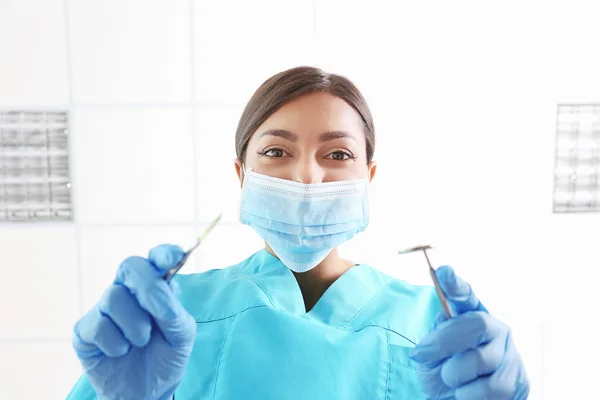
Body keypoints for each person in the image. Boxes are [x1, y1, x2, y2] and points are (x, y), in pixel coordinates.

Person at [67, 66, 529, 400]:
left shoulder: (436, 330)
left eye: (337, 155)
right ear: (241, 174)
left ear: (368, 178)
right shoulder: (167, 318)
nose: (306, 177)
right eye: (276, 150)